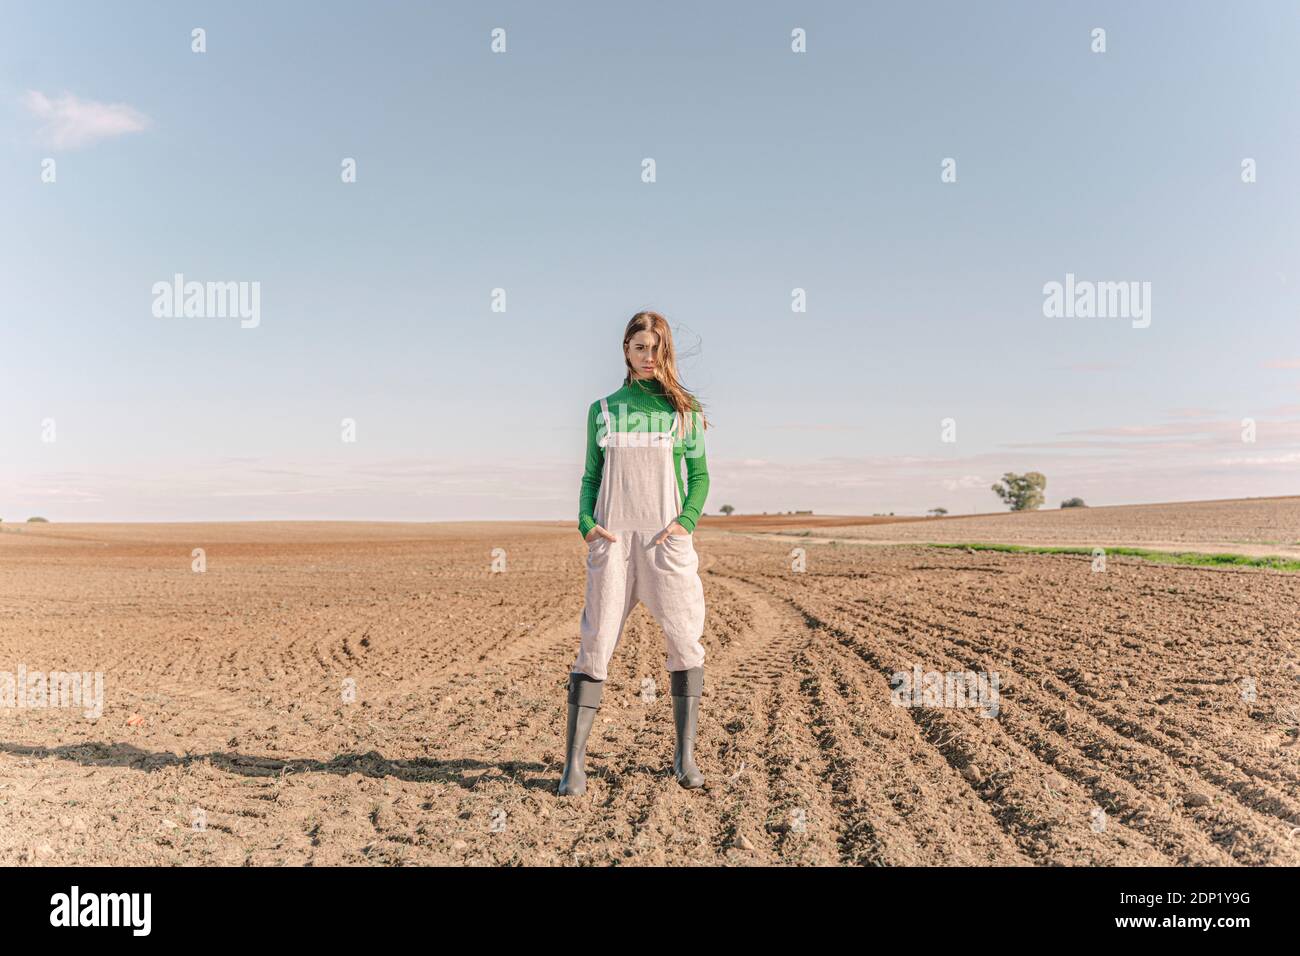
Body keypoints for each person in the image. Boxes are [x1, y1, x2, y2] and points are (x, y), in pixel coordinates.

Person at [557, 310, 710, 797]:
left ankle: (684, 759)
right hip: (614, 543)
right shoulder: (602, 410)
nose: (648, 357)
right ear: (625, 349)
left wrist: (683, 524)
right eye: (640, 347)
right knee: (596, 643)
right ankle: (573, 766)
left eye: (657, 348)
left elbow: (701, 479)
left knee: (685, 640)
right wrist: (587, 524)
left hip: (665, 543)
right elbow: (590, 478)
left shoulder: (683, 413)